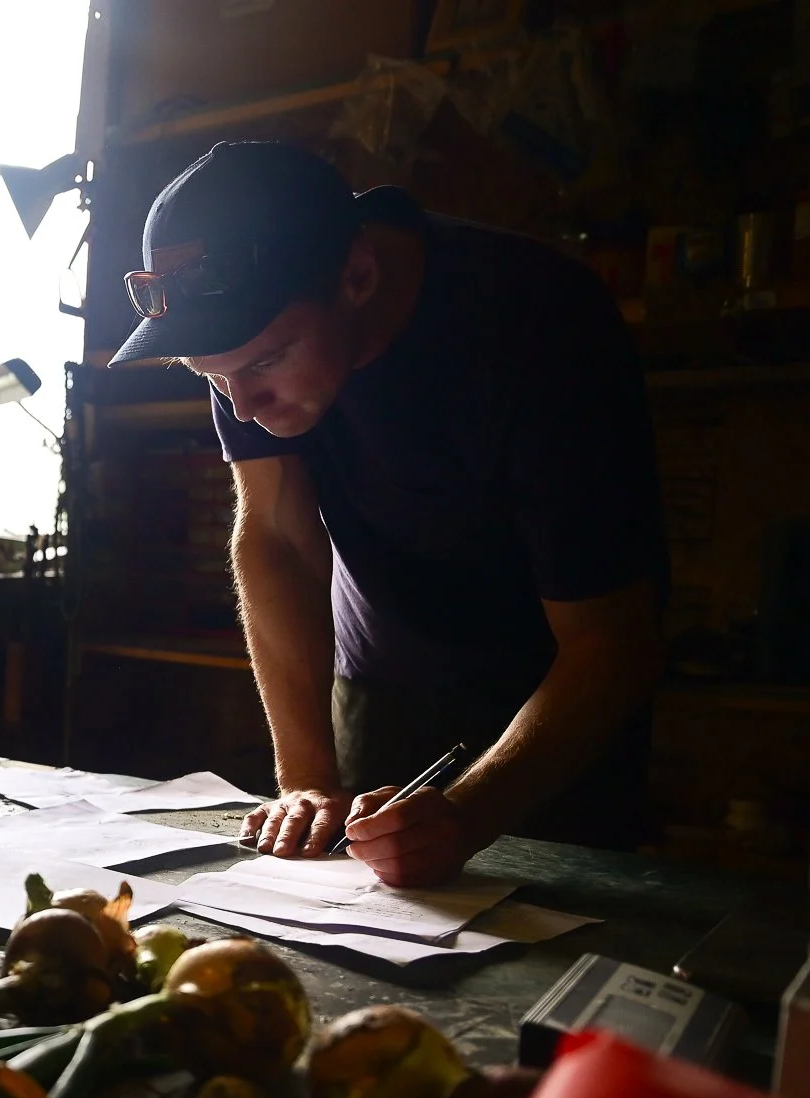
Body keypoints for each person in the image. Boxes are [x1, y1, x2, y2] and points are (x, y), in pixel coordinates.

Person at [110, 141, 665, 887]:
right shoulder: (245, 327)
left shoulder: (539, 321)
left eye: (264, 364)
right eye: (213, 379)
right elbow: (273, 533)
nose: (241, 405)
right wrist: (305, 777)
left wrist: (471, 813)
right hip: (376, 685)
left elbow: (609, 639)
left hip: (555, 699)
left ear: (358, 276)